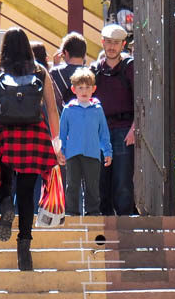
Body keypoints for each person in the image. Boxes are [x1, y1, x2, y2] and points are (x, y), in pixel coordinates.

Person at [0, 27, 60, 271]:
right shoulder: (40, 71)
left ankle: (5, 204)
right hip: (34, 135)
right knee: (26, 193)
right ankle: (24, 246)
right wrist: (55, 141)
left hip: (5, 132)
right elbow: (52, 110)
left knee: (3, 178)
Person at [92, 24, 136, 216]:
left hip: (124, 129)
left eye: (116, 43)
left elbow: (140, 101)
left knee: (123, 181)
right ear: (102, 42)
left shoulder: (130, 68)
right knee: (100, 180)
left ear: (123, 44)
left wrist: (135, 129)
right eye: (108, 42)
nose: (111, 47)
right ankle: (104, 222)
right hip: (99, 131)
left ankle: (125, 223)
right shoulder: (94, 70)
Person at [57, 68, 112, 216]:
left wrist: (107, 151)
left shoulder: (97, 109)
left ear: (93, 89)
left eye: (88, 87)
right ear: (74, 89)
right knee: (72, 185)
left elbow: (103, 133)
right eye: (80, 87)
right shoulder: (68, 110)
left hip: (92, 154)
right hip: (73, 154)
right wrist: (61, 151)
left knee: (92, 185)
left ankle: (92, 211)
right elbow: (62, 134)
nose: (84, 91)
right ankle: (71, 212)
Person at [50, 32, 88, 106]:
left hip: (62, 116)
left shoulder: (55, 72)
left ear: (65, 52)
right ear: (84, 53)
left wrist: (55, 65)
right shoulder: (92, 73)